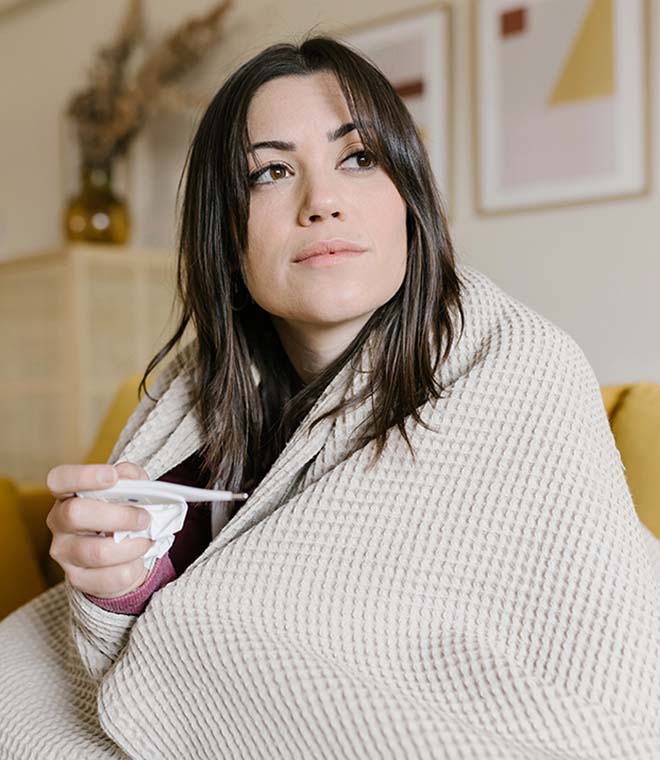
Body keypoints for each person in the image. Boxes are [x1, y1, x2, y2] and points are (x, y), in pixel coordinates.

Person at [1, 34, 659, 760]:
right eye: (272, 172)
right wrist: (115, 583)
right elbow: (123, 636)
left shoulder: (518, 365)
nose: (322, 203)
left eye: (359, 158)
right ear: (228, 232)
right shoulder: (193, 400)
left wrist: (197, 626)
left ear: (407, 198)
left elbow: (602, 668)